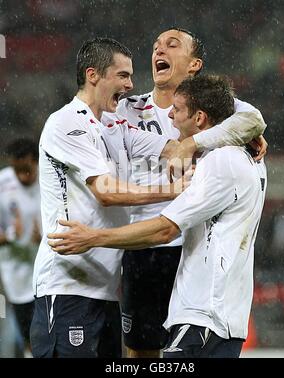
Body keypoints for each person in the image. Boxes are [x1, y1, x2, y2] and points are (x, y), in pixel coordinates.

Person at [48, 74, 267, 358]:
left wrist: (93, 237)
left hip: (202, 318)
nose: (171, 118)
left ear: (199, 118)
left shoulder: (220, 162)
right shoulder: (249, 157)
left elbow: (164, 230)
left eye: (177, 111)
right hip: (224, 318)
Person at [102, 27, 267, 358]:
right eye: (155, 45)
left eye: (171, 45)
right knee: (141, 352)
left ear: (194, 64)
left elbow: (254, 120)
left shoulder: (218, 109)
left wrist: (191, 144)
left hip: (193, 251)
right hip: (145, 246)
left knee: (186, 349)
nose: (159, 50)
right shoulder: (126, 110)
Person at [30, 37, 185, 359]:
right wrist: (175, 190)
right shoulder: (66, 123)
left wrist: (243, 135)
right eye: (123, 75)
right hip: (68, 284)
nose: (130, 85)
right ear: (93, 75)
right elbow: (106, 192)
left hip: (107, 289)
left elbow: (173, 147)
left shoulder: (115, 125)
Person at [0, 138, 41, 357]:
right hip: (18, 274)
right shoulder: (2, 183)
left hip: (51, 269)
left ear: (35, 162)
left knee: (53, 334)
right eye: (16, 170)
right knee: (30, 337)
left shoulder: (50, 177)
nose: (20, 176)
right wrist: (9, 235)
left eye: (25, 170)